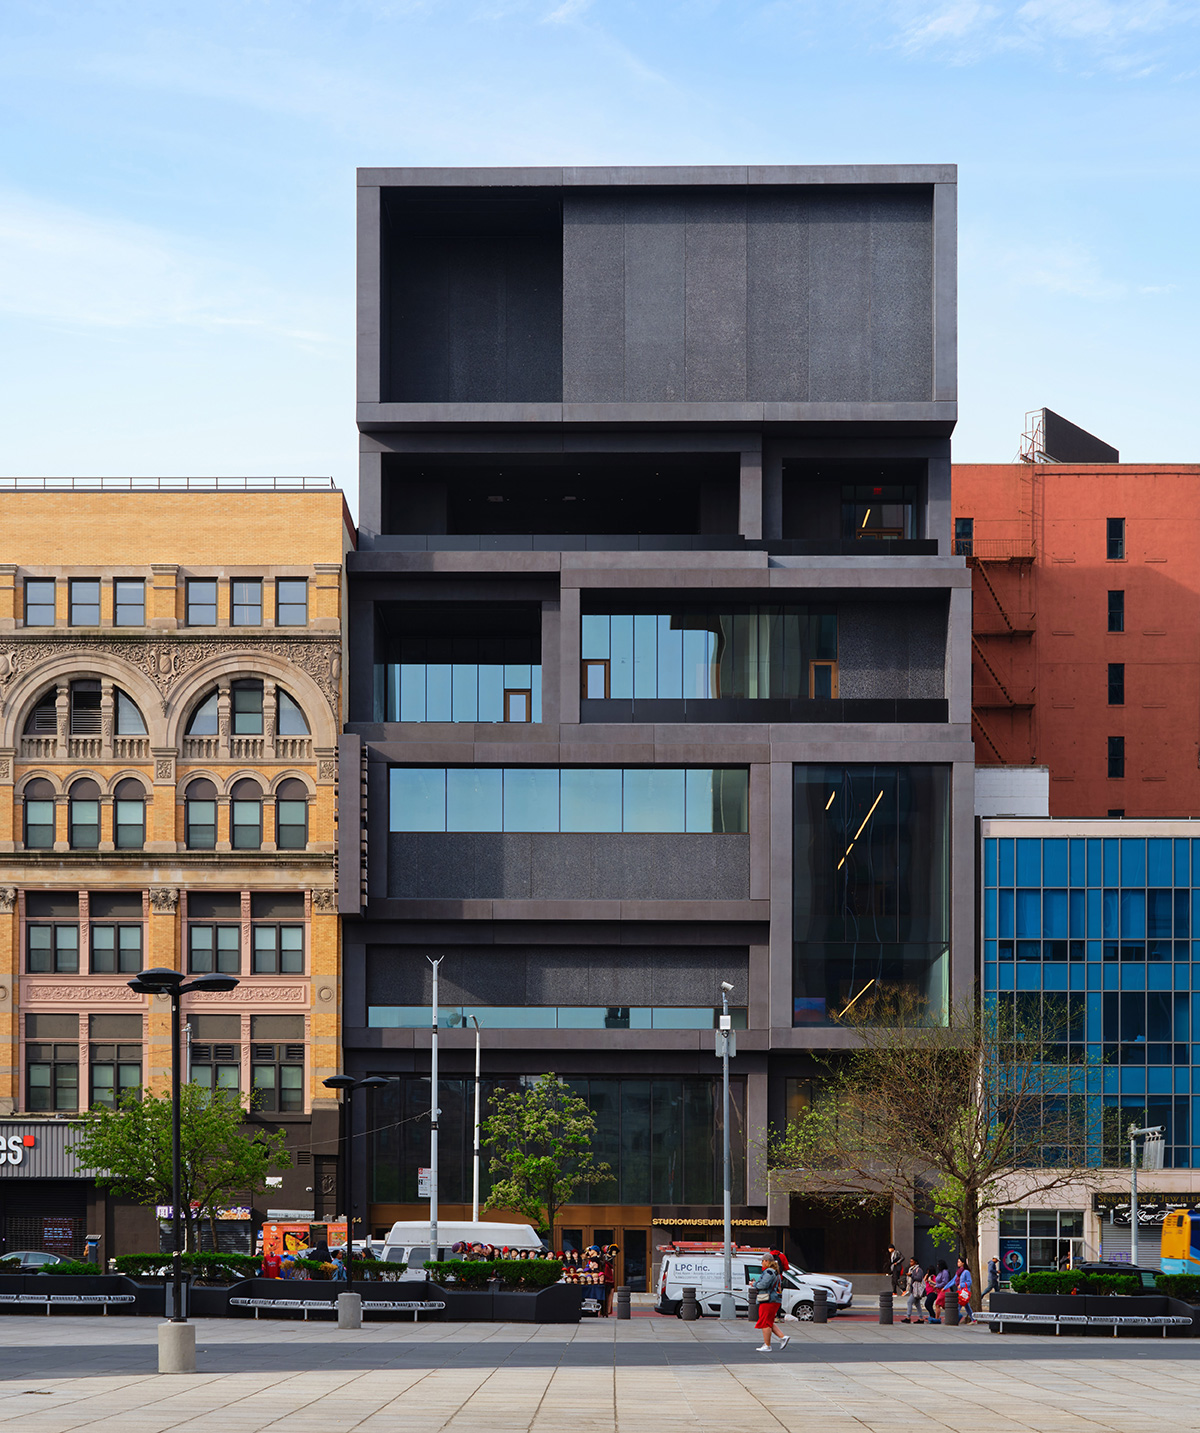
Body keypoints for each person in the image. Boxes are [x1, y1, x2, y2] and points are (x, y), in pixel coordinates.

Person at [753, 1254, 789, 1352]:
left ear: (767, 1262)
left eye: (762, 1261)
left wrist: (754, 1284)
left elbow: (763, 1285)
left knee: (765, 1323)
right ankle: (782, 1337)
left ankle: (767, 1345)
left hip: (768, 1300)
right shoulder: (775, 1272)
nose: (761, 1263)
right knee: (769, 1321)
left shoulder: (768, 1272)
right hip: (774, 1299)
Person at [900, 1257, 925, 1323]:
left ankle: (908, 1317)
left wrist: (912, 1276)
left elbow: (919, 1278)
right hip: (914, 1289)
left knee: (909, 1302)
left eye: (912, 1261)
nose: (910, 1263)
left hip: (916, 1290)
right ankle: (921, 1318)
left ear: (915, 1262)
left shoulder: (918, 1270)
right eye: (910, 1261)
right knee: (917, 1304)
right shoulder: (911, 1269)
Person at [954, 1257, 974, 1323]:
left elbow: (969, 1282)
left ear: (963, 1263)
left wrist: (962, 1285)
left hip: (964, 1292)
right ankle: (973, 1319)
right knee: (967, 1306)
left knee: (959, 1304)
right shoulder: (959, 1272)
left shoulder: (966, 1272)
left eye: (959, 1262)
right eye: (957, 1261)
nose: (958, 1263)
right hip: (960, 1291)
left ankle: (954, 1318)